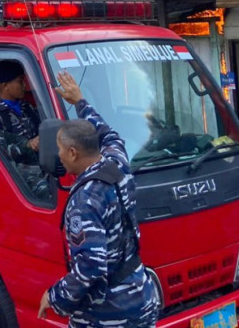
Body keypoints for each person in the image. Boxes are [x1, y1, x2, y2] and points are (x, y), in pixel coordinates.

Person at [39, 70, 160, 328]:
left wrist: (54, 297)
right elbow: (109, 134)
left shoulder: (85, 200)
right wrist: (80, 102)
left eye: (60, 149)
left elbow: (91, 269)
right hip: (143, 296)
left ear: (73, 153)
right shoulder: (118, 162)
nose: (58, 156)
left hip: (109, 313)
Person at [0, 59, 41, 164]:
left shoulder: (26, 106)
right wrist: (28, 145)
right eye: (20, 81)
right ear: (5, 86)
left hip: (38, 162)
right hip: (15, 169)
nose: (24, 85)